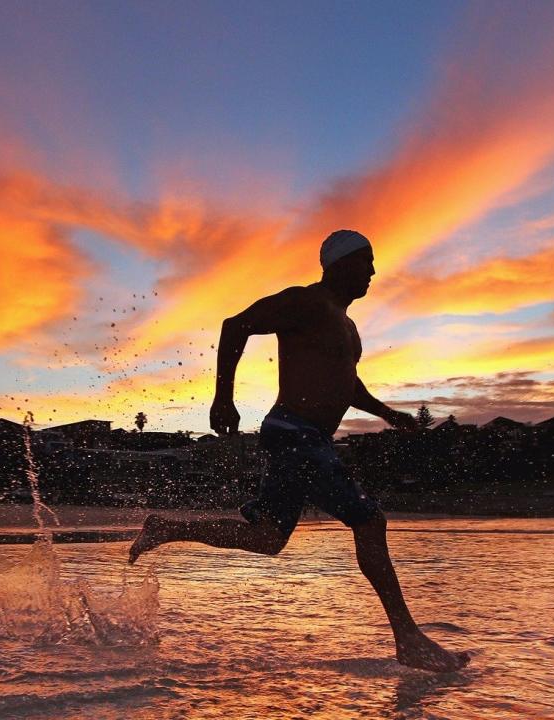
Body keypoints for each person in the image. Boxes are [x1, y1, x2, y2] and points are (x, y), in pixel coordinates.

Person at [129, 230, 470, 673]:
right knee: (369, 520)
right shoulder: (306, 302)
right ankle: (409, 640)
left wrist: (389, 413)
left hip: (307, 440)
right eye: (365, 261)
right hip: (295, 432)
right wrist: (223, 397)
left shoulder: (348, 329)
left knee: (268, 538)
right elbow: (237, 325)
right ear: (339, 263)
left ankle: (164, 529)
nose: (372, 271)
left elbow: (348, 385)